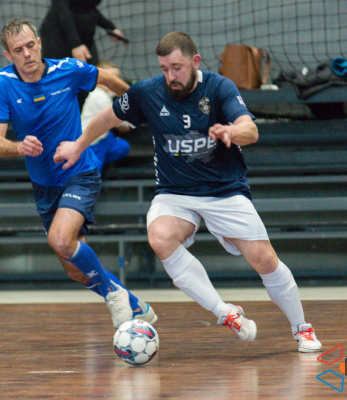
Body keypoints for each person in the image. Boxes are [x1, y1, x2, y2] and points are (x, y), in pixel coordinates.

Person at [54, 31, 322, 352]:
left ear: (195, 62)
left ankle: (302, 328)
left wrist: (231, 130)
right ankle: (225, 312)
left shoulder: (219, 87)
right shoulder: (147, 92)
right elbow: (107, 118)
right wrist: (78, 145)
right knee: (160, 237)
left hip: (225, 190)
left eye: (177, 68)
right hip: (175, 192)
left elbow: (250, 130)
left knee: (264, 259)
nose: (171, 76)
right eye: (164, 68)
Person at [0, 18, 156, 329]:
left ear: (39, 43)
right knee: (73, 269)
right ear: (8, 55)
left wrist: (137, 107)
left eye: (30, 46)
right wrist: (19, 147)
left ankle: (115, 297)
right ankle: (134, 303)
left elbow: (107, 77)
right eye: (18, 50)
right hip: (44, 185)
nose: (27, 54)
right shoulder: (2, 83)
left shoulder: (67, 69)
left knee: (60, 240)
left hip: (79, 172)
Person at [39, 0, 128, 108]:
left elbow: (85, 7)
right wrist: (76, 44)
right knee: (62, 84)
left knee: (89, 78)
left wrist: (110, 27)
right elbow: (62, 10)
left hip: (82, 41)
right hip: (59, 41)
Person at [81, 61, 131, 174]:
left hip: (104, 137)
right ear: (99, 81)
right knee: (92, 175)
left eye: (117, 78)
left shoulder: (105, 93)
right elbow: (116, 117)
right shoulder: (99, 96)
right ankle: (90, 162)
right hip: (91, 142)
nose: (115, 81)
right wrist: (125, 124)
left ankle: (100, 160)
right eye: (111, 78)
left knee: (122, 147)